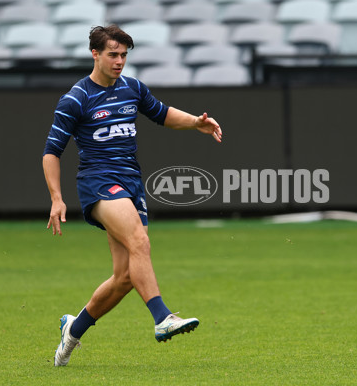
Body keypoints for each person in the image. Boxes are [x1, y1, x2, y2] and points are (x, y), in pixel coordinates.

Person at [42, 25, 222, 367]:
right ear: (95, 54)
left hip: (130, 182)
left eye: (124, 55)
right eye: (113, 54)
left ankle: (72, 328)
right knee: (140, 241)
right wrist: (56, 198)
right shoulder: (76, 98)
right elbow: (51, 152)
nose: (120, 61)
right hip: (98, 183)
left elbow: (163, 113)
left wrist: (196, 123)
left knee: (124, 277)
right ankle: (162, 318)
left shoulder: (132, 88)